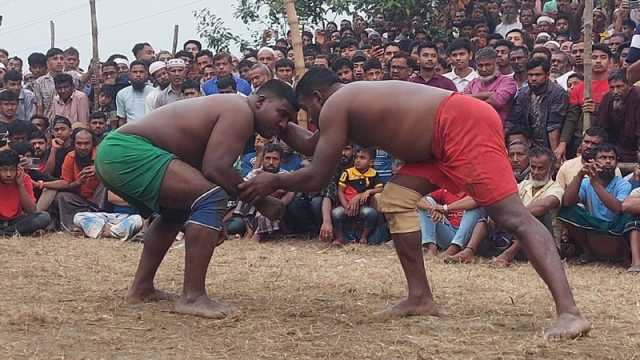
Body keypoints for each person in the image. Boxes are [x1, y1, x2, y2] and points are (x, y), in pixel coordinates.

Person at [239, 68, 590, 339]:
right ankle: (420, 296)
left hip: (460, 125)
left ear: (317, 97)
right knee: (395, 199)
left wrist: (276, 180)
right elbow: (317, 146)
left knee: (514, 218)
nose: (309, 118)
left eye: (302, 111)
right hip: (433, 145)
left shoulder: (336, 104)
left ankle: (570, 312)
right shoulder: (348, 101)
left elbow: (316, 176)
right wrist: (281, 127)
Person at [94, 79, 297, 318]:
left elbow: (205, 169)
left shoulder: (235, 109)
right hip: (127, 150)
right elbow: (216, 169)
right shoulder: (240, 110)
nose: (282, 124)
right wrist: (261, 201)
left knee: (174, 213)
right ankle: (192, 297)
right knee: (211, 195)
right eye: (281, 114)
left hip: (116, 151)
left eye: (288, 120)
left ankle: (141, 288)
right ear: (260, 102)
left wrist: (212, 220)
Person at [559, 144, 632, 264]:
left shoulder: (623, 184)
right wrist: (580, 175)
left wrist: (596, 184)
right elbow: (567, 202)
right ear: (594, 161)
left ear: (616, 162)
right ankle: (588, 252)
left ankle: (624, 256)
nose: (608, 161)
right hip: (592, 226)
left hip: (615, 227)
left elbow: (617, 208)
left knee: (629, 216)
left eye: (611, 158)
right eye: (603, 158)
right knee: (567, 211)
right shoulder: (586, 182)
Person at [491, 147, 564, 267]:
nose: (535, 172)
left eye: (540, 168)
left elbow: (544, 206)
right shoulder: (524, 185)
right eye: (533, 167)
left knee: (538, 215)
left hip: (545, 245)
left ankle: (506, 256)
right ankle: (467, 251)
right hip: (518, 240)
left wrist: (508, 217)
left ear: (550, 169)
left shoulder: (556, 189)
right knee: (485, 214)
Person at [557, 44, 612, 161]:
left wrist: (597, 109)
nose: (598, 61)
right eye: (594, 57)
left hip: (608, 141)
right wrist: (562, 144)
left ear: (610, 61)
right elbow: (571, 118)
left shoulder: (615, 86)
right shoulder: (579, 88)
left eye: (603, 57)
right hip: (581, 141)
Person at [507, 58, 567, 150]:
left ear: (547, 75)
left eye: (538, 75)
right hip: (530, 144)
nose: (533, 78)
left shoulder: (557, 93)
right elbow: (513, 120)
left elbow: (554, 126)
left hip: (549, 143)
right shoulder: (523, 93)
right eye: (530, 75)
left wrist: (555, 154)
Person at [332, 147, 383, 245]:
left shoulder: (374, 174)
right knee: (336, 213)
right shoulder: (347, 172)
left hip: (362, 206)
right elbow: (340, 191)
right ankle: (340, 238)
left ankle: (364, 237)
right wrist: (346, 206)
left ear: (371, 162)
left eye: (362, 158)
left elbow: (380, 188)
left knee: (371, 213)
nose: (358, 160)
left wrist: (368, 192)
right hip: (346, 204)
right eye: (356, 157)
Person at [417, 188, 485, 259]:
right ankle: (430, 247)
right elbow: (417, 198)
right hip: (450, 233)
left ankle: (454, 248)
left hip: (471, 238)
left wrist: (444, 208)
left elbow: (475, 200)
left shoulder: (477, 188)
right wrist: (432, 208)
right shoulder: (447, 189)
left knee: (474, 209)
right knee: (428, 200)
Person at [0, 149, 50, 236]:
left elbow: (31, 211)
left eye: (12, 170)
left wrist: (20, 185)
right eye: (4, 170)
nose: (8, 174)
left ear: (18, 169)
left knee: (44, 217)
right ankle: (12, 232)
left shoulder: (24, 179)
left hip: (15, 221)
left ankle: (6, 232)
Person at [594, 69, 640, 162]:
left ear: (629, 86)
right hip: (613, 149)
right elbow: (601, 127)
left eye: (619, 87)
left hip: (633, 149)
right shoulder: (607, 98)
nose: (615, 91)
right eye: (612, 87)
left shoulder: (637, 98)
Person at [463, 47, 517, 123]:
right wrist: (488, 94)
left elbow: (497, 102)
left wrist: (471, 98)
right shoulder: (473, 83)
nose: (484, 69)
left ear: (496, 64)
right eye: (480, 66)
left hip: (498, 127)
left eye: (488, 65)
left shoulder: (508, 82)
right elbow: (463, 102)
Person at [116, 60, 154, 126]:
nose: (138, 75)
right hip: (131, 134)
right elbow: (122, 119)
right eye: (135, 72)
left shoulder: (154, 92)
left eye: (141, 72)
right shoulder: (122, 94)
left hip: (151, 131)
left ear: (146, 74)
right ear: (129, 74)